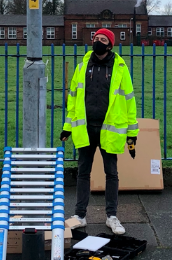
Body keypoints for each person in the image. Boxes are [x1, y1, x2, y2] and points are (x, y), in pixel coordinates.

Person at [60, 28, 138, 235]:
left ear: (110, 45)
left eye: (103, 40)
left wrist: (132, 133)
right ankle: (80, 216)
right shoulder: (82, 66)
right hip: (85, 128)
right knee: (83, 172)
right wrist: (67, 127)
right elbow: (73, 99)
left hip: (109, 130)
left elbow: (130, 101)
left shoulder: (120, 68)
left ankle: (112, 216)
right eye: (96, 39)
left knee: (111, 173)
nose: (98, 42)